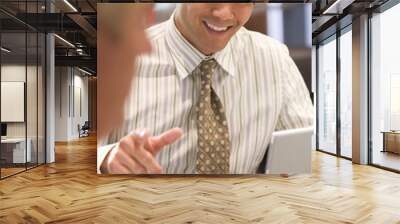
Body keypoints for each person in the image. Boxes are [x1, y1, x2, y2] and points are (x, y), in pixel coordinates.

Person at [98, 3, 314, 174]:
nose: (222, 14)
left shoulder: (275, 59)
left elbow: (302, 154)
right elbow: (91, 153)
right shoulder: (125, 53)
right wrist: (108, 158)